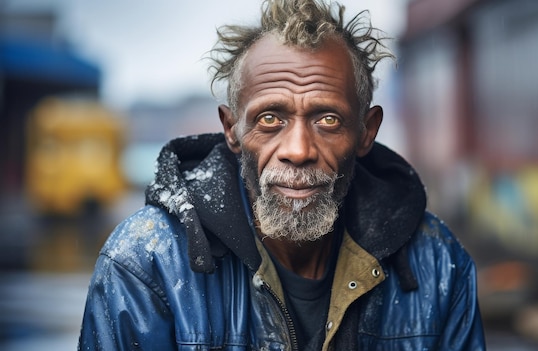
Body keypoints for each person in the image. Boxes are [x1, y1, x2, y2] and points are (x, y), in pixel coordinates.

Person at [79, 0, 485, 349]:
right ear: (232, 129)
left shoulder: (437, 264)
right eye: (270, 118)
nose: (298, 151)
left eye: (327, 119)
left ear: (366, 132)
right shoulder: (147, 266)